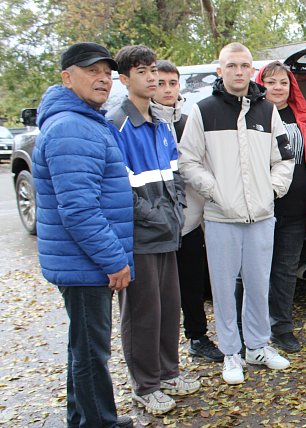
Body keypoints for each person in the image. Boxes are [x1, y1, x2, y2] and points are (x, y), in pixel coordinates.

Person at [32, 42, 135, 428]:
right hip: (85, 261)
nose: (102, 79)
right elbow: (78, 209)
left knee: (83, 347)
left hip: (81, 260)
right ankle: (99, 422)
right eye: (91, 71)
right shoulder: (72, 127)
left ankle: (82, 417)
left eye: (106, 73)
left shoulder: (83, 120)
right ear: (66, 77)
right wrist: (113, 260)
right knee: (92, 352)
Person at [179, 42, 295, 384]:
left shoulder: (267, 112)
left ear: (251, 69)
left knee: (259, 284)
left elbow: (284, 158)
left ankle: (257, 346)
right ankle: (231, 352)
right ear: (221, 70)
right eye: (232, 65)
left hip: (261, 216)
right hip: (220, 218)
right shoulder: (204, 111)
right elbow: (188, 160)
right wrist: (216, 192)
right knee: (224, 289)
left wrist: (271, 190)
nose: (239, 71)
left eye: (245, 65)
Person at [108, 45, 200, 415]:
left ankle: (168, 373)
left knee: (167, 309)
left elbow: (175, 177)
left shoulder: (162, 125)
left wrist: (177, 212)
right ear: (124, 78)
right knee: (142, 314)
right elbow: (119, 190)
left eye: (152, 70)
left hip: (167, 234)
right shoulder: (117, 125)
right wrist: (159, 218)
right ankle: (145, 386)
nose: (150, 77)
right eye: (142, 71)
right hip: (140, 239)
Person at [255, 61, 306, 353]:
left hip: (296, 209)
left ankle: (282, 328)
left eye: (283, 83)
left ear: (291, 87)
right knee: (254, 271)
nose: (277, 88)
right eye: (271, 82)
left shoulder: (305, 119)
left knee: (286, 271)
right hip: (261, 210)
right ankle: (250, 328)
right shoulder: (252, 115)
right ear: (261, 84)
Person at [151, 60, 223, 362]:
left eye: (173, 83)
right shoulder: (145, 123)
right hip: (155, 226)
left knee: (193, 285)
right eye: (161, 83)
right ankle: (159, 353)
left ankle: (197, 336)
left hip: (190, 222)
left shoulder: (188, 122)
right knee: (159, 296)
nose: (167, 89)